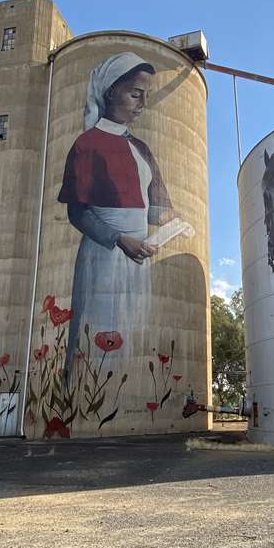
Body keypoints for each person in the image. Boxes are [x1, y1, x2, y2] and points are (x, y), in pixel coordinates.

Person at [58, 53, 175, 386]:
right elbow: (77, 211)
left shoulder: (141, 147)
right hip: (104, 255)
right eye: (135, 94)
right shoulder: (87, 144)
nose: (142, 104)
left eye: (146, 96)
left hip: (140, 256)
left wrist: (171, 219)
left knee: (135, 332)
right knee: (98, 333)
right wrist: (119, 239)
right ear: (110, 92)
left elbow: (152, 205)